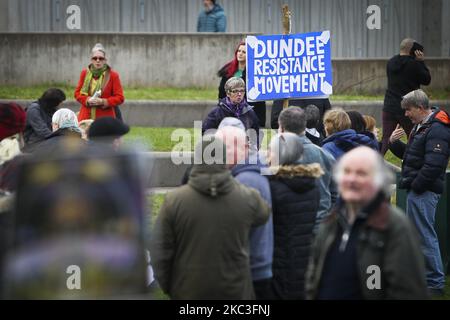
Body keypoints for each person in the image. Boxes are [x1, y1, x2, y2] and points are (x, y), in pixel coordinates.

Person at [150, 136, 270, 300]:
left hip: (188, 291)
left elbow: (159, 251)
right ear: (226, 160)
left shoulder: (175, 201)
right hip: (235, 291)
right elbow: (264, 213)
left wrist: (170, 286)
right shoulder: (246, 197)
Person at [305, 147, 428, 300]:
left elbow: (408, 291)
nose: (351, 179)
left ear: (379, 182)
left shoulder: (395, 226)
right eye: (347, 172)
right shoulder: (331, 221)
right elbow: (313, 277)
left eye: (361, 173)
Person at [388, 89, 450, 296]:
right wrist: (393, 144)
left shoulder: (437, 128)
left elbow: (434, 165)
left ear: (421, 108)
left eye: (408, 110)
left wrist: (415, 185)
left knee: (424, 235)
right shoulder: (422, 126)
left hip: (423, 191)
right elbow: (412, 157)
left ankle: (435, 282)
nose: (406, 114)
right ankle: (427, 277)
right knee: (420, 234)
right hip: (418, 189)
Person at [215, 126, 274, 300]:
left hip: (251, 271)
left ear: (244, 148)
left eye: (224, 147)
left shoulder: (245, 181)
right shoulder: (250, 173)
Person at [267, 132, 322, 299]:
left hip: (279, 261)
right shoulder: (312, 186)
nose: (267, 154)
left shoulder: (274, 187)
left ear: (280, 154)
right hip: (305, 258)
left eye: (270, 150)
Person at [278, 107, 337, 232]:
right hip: (321, 227)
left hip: (288, 230)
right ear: (304, 128)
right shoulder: (325, 155)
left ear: (281, 128)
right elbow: (335, 194)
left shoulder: (274, 157)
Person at [380, 38, 431, 155]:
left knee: (386, 138)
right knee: (413, 137)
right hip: (409, 108)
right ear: (412, 49)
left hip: (389, 106)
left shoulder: (391, 62)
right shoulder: (414, 64)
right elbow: (427, 80)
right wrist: (421, 62)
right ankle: (413, 162)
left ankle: (375, 164)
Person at [218, 40, 266, 127]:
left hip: (248, 111)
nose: (240, 54)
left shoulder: (255, 72)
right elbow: (221, 92)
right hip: (229, 110)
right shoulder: (229, 71)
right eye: (239, 51)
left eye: (244, 52)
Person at [203, 77, 260, 147]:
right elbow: (207, 134)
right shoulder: (217, 112)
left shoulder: (250, 112)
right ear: (228, 93)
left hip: (244, 153)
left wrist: (252, 147)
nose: (239, 94)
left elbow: (256, 136)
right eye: (235, 91)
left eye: (242, 91)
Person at [75, 43, 124, 122]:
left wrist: (103, 101)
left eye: (101, 58)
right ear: (91, 60)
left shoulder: (113, 75)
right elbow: (77, 94)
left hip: (105, 118)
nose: (98, 60)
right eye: (95, 58)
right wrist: (87, 100)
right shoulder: (84, 73)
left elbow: (120, 97)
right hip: (85, 117)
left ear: (105, 60)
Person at [23, 88, 66, 152]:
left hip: (48, 140)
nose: (61, 104)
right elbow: (43, 131)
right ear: (53, 103)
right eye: (60, 102)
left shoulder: (51, 109)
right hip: (35, 143)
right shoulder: (34, 110)